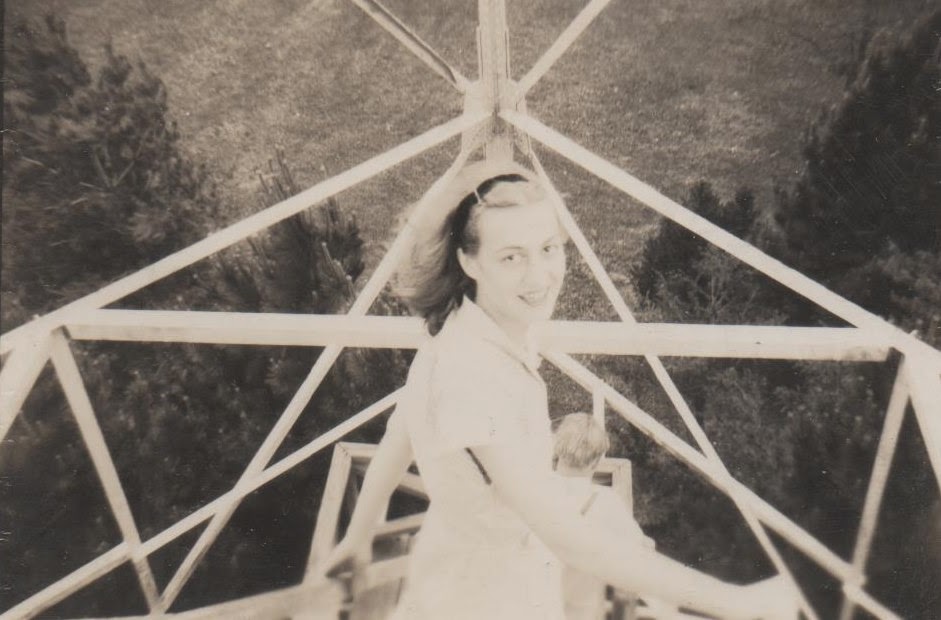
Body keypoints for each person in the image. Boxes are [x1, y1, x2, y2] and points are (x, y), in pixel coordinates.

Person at [316, 159, 798, 620]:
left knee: (603, 514)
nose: (539, 276)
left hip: (460, 563)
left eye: (549, 249)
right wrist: (735, 603)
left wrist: (361, 534)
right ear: (468, 261)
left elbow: (404, 427)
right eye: (511, 257)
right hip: (486, 599)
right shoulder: (472, 375)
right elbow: (567, 541)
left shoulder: (465, 329)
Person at [552, 412, 652, 620]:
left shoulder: (531, 490)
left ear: (557, 449)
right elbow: (640, 557)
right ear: (596, 462)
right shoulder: (606, 503)